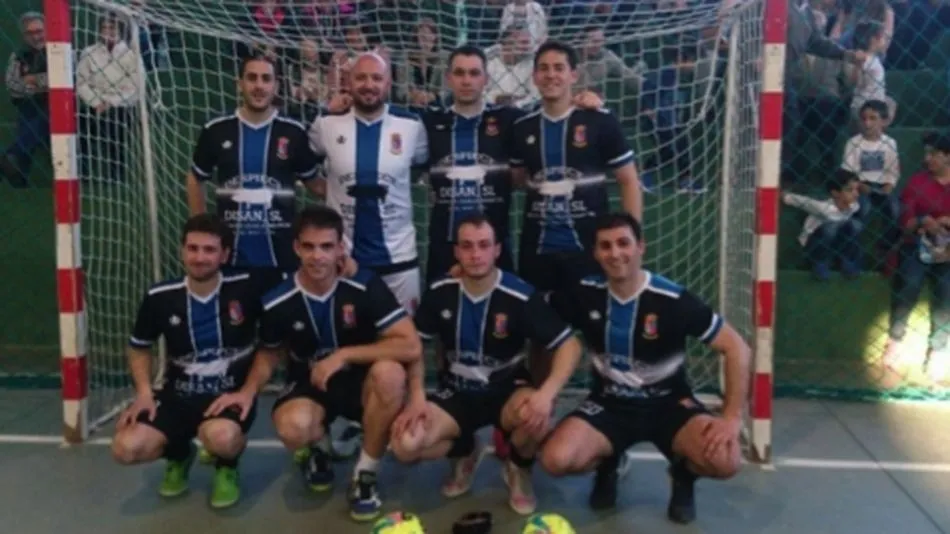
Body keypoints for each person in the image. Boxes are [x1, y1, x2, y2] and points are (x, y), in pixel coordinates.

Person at [210, 206, 422, 522]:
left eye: (326, 246)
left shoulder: (365, 285)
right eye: (309, 246)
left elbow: (410, 345)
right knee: (293, 427)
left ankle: (364, 474)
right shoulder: (277, 300)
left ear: (340, 248)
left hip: (361, 382)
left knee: (390, 374)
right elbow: (269, 353)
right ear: (296, 248)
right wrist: (247, 391)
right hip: (309, 383)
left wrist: (342, 356)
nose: (317, 256)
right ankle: (318, 448)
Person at [540, 213, 750, 525]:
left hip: (669, 405)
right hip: (609, 405)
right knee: (555, 460)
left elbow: (737, 348)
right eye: (606, 246)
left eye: (623, 243)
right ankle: (607, 463)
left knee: (726, 460)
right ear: (595, 253)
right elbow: (529, 308)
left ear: (641, 247)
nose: (615, 253)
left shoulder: (673, 299)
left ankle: (683, 475)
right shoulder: (583, 294)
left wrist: (732, 417)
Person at [389, 214, 582, 515]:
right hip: (457, 391)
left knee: (537, 416)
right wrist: (416, 395)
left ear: (497, 250)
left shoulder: (519, 295)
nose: (475, 254)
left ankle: (518, 468)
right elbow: (415, 348)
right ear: (456, 251)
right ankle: (466, 450)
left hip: (506, 390)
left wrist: (546, 394)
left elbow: (570, 346)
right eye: (467, 246)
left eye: (483, 245)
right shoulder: (440, 291)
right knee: (405, 446)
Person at [110, 214, 280, 509]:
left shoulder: (248, 289)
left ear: (224, 255)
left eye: (209, 250)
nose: (200, 258)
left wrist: (248, 391)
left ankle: (227, 466)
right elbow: (139, 347)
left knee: (222, 438)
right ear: (182, 251)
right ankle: (180, 454)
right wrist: (144, 393)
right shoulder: (160, 296)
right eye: (193, 248)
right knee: (125, 448)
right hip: (177, 395)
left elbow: (270, 348)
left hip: (228, 396)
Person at [309, 52, 428, 313]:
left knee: (405, 332)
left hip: (399, 259)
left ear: (388, 83)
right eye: (361, 77)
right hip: (344, 258)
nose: (369, 85)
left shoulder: (411, 125)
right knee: (347, 331)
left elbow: (421, 164)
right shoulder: (326, 124)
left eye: (376, 78)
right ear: (348, 82)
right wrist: (323, 190)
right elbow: (304, 164)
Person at [185, 54, 323, 274]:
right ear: (239, 84)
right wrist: (201, 228)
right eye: (252, 78)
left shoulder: (293, 132)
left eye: (266, 79)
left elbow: (315, 185)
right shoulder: (216, 129)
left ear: (276, 86)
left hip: (283, 257)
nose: (259, 86)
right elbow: (195, 177)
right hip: (231, 258)